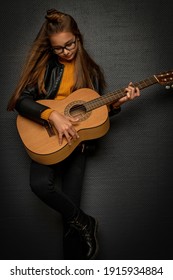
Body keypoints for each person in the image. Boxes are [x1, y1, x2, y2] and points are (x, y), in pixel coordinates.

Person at [7, 8, 140, 260]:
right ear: (50, 47)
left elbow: (97, 114)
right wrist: (52, 116)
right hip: (46, 137)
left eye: (70, 44)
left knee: (70, 216)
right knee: (40, 185)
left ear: (78, 37)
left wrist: (117, 104)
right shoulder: (44, 66)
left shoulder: (90, 71)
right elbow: (21, 101)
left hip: (77, 143)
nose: (66, 52)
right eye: (58, 48)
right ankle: (86, 222)